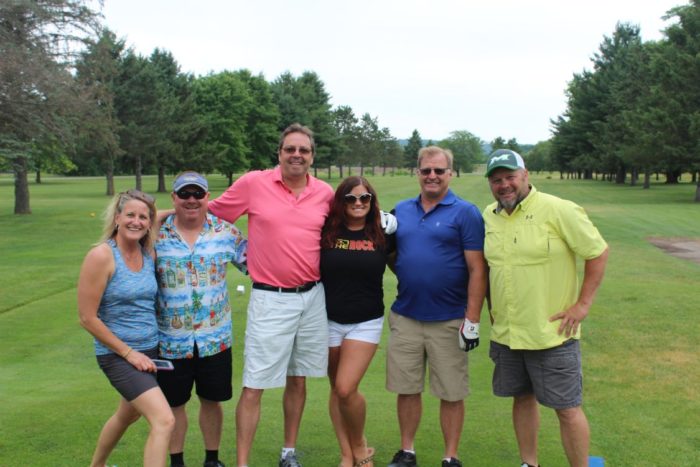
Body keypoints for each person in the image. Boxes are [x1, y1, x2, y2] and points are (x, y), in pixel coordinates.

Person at [207, 123, 334, 467]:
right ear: (279, 153)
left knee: (298, 378)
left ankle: (288, 453)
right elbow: (210, 213)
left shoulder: (324, 193)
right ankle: (243, 463)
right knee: (255, 384)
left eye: (303, 150)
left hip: (313, 298)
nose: (296, 155)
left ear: (312, 156)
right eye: (290, 149)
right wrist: (158, 215)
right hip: (270, 299)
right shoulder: (254, 183)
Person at [482, 149, 609, 467]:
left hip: (552, 333)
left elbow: (597, 252)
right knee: (522, 399)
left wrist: (583, 305)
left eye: (510, 177)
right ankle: (529, 462)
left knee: (567, 408)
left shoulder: (559, 209)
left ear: (526, 175)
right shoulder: (489, 216)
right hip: (508, 333)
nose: (504, 185)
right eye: (496, 180)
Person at [386, 146, 487, 467]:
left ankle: (450, 456)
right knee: (407, 388)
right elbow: (392, 256)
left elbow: (477, 269)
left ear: (450, 174)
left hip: (450, 318)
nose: (432, 176)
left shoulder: (466, 212)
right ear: (417, 172)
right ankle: (407, 451)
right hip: (406, 315)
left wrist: (472, 319)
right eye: (426, 170)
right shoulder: (401, 210)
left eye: (439, 171)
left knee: (451, 392)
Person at [155, 171, 247, 467]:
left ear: (208, 197)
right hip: (170, 340)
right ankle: (177, 462)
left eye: (198, 194)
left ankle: (212, 459)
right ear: (174, 197)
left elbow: (258, 266)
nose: (191, 200)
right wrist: (160, 215)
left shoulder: (226, 232)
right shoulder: (155, 234)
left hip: (214, 337)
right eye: (185, 194)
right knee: (173, 403)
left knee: (212, 399)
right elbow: (122, 230)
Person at [78, 189, 175, 467]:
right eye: (130, 215)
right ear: (117, 218)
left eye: (143, 217)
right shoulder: (102, 256)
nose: (136, 221)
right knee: (164, 420)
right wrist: (129, 353)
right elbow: (87, 318)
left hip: (150, 351)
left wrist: (182, 209)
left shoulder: (147, 252)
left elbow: (156, 216)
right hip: (119, 355)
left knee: (128, 414)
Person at [320, 176, 395, 467]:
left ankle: (360, 445)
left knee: (345, 388)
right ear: (341, 202)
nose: (358, 203)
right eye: (351, 198)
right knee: (336, 390)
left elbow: (402, 265)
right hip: (328, 319)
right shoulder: (327, 230)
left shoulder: (383, 232)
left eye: (365, 198)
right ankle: (346, 454)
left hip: (366, 321)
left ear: (372, 201)